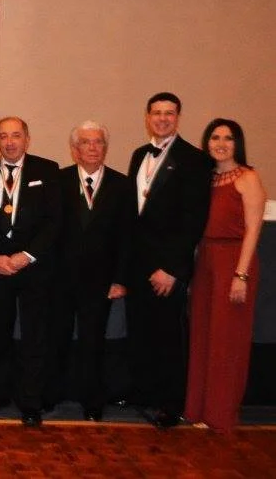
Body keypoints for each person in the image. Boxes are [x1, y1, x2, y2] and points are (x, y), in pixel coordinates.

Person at [125, 92, 212, 428]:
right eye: (156, 113)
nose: (162, 119)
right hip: (139, 263)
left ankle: (169, 403)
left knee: (168, 337)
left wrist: (172, 269)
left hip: (167, 268)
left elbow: (193, 220)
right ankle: (144, 391)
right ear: (147, 116)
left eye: (169, 113)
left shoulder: (194, 160)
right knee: (142, 331)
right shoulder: (138, 155)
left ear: (178, 117)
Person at [44, 121, 135, 422]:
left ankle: (92, 400)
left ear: (105, 148)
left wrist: (121, 279)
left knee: (93, 341)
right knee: (55, 338)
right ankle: (50, 394)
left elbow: (126, 237)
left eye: (98, 142)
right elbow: (48, 231)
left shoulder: (122, 185)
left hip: (100, 282)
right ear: (75, 149)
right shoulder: (57, 181)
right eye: (86, 142)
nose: (93, 148)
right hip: (60, 279)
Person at [0, 116, 61, 427]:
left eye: (15, 136)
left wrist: (27, 255)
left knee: (34, 336)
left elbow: (54, 221)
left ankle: (30, 401)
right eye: (3, 136)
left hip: (34, 269)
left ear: (28, 139)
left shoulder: (47, 170)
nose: (9, 142)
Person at [185, 118, 266, 433]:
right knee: (203, 336)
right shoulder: (207, 178)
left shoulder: (248, 177)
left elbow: (254, 229)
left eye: (228, 138)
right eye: (215, 137)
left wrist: (241, 275)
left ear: (238, 143)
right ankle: (198, 410)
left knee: (226, 341)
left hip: (234, 261)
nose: (221, 143)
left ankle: (220, 414)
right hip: (205, 260)